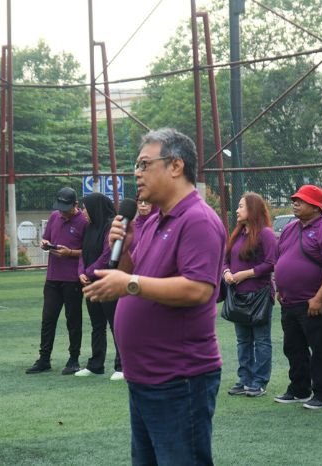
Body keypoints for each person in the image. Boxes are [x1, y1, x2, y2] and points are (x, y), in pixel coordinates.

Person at [82, 128, 227, 465]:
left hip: (179, 378)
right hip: (146, 375)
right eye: (136, 165)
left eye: (145, 164)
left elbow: (198, 289)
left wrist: (129, 283)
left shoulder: (198, 220)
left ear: (175, 166)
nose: (136, 173)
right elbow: (139, 273)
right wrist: (126, 245)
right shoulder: (153, 221)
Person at [273, 185, 322, 410]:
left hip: (312, 302)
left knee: (321, 349)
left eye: (301, 200)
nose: (295, 203)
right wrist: (279, 287)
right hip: (289, 300)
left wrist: (319, 297)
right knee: (293, 347)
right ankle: (299, 388)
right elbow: (281, 258)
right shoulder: (291, 228)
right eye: (295, 200)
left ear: (316, 207)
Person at [26, 187, 87, 375]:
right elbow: (46, 238)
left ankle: (74, 359)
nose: (61, 211)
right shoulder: (54, 217)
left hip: (73, 280)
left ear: (75, 205)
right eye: (60, 207)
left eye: (65, 208)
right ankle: (44, 359)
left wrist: (70, 253)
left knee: (73, 320)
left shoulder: (84, 221)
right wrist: (46, 245)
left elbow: (89, 251)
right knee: (48, 319)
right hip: (52, 277)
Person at [223, 192, 276, 398]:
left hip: (259, 296)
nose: (237, 210)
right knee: (243, 340)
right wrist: (227, 272)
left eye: (241, 206)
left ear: (252, 210)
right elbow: (225, 259)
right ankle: (244, 379)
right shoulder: (237, 233)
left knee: (261, 340)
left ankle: (259, 382)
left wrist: (245, 274)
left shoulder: (265, 234)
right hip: (238, 296)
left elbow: (271, 263)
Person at [75, 193, 123, 380]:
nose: (83, 212)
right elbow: (83, 253)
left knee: (115, 324)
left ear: (95, 208)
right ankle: (96, 364)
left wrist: (88, 272)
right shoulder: (89, 227)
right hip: (91, 282)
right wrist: (81, 271)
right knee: (97, 324)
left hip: (107, 282)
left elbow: (107, 255)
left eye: (85, 208)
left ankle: (122, 366)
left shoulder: (111, 226)